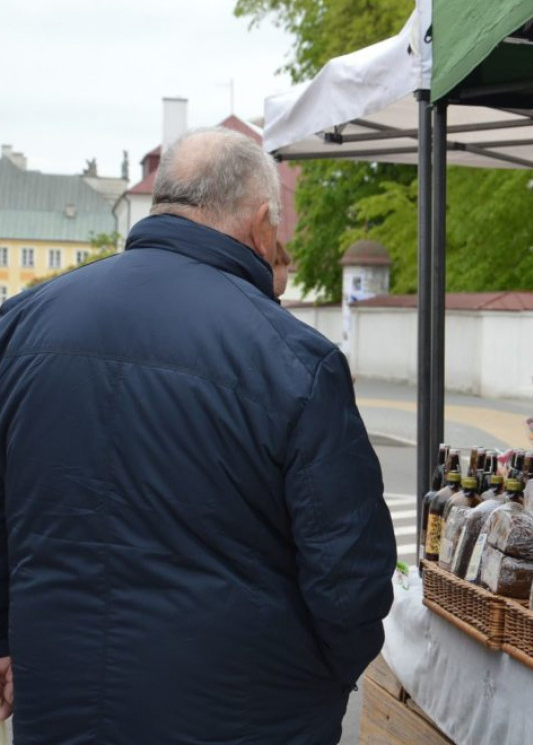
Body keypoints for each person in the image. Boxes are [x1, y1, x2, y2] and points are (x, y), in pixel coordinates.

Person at [0, 127, 396, 743]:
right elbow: (349, 574)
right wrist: (319, 679)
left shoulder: (21, 324)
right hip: (244, 711)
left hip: (62, 697)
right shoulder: (294, 358)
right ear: (263, 224)